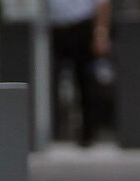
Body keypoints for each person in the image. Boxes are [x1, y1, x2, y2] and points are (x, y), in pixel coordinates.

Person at [46, 0, 111, 146]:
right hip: (53, 28)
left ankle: (87, 133)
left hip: (80, 25)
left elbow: (103, 3)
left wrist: (101, 32)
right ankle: (53, 131)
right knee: (50, 82)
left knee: (84, 82)